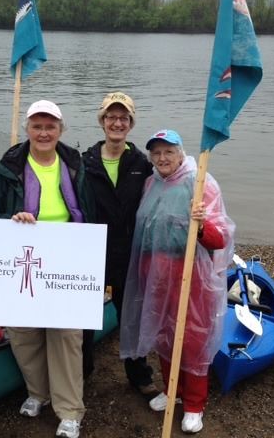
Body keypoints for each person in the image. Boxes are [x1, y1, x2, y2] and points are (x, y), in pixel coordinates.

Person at [0, 100, 93, 438]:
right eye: (37, 126)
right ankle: (37, 392)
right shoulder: (8, 169)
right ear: (27, 129)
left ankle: (69, 410)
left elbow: (90, 212)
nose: (43, 133)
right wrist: (11, 218)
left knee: (66, 337)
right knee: (24, 334)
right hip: (21, 259)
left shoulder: (75, 166)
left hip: (66, 261)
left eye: (50, 126)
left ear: (61, 130)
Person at [119, 129, 234, 434]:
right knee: (164, 332)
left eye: (169, 151)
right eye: (156, 153)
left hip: (190, 271)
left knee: (193, 337)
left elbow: (220, 238)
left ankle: (194, 404)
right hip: (155, 270)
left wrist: (201, 224)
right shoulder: (151, 183)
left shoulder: (201, 183)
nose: (162, 158)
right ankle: (173, 391)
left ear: (181, 153)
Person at [81, 92, 155, 394]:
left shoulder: (142, 164)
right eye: (111, 117)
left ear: (131, 123)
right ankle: (81, 373)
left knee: (132, 317)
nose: (117, 123)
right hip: (92, 253)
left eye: (123, 118)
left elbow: (158, 198)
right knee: (83, 319)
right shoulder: (84, 163)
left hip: (129, 253)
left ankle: (139, 376)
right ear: (102, 122)